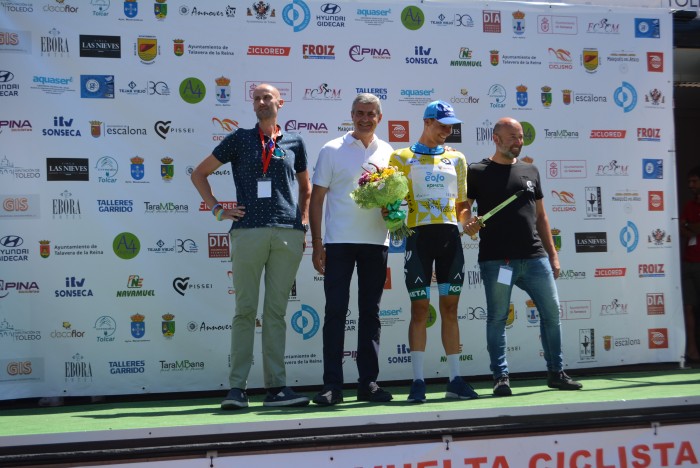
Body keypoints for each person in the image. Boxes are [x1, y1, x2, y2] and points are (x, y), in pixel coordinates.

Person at [191, 83, 311, 409]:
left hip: (287, 234)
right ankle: (237, 389)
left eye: (267, 97)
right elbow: (200, 174)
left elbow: (306, 186)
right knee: (245, 311)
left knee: (275, 313)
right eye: (256, 98)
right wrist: (218, 209)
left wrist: (301, 221)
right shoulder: (239, 139)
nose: (261, 102)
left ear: (280, 102)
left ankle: (277, 389)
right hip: (247, 232)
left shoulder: (295, 142)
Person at [463, 117, 582, 396]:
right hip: (497, 260)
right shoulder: (477, 171)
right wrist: (469, 223)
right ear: (496, 138)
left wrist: (553, 255)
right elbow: (464, 210)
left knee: (552, 314)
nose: (519, 142)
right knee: (497, 318)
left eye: (521, 137)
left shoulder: (531, 170)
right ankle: (500, 377)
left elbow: (541, 217)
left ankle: (556, 372)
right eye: (513, 137)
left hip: (534, 257)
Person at [389, 100, 478, 403]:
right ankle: (417, 381)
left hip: (450, 239)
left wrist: (468, 223)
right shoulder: (401, 157)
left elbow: (463, 205)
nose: (447, 131)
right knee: (420, 309)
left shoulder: (457, 158)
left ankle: (454, 379)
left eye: (450, 125)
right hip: (417, 238)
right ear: (426, 122)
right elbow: (391, 202)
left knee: (450, 309)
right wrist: (390, 215)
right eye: (441, 125)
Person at [309, 93, 394, 405]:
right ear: (351, 115)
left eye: (371, 114)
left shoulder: (388, 151)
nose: (364, 118)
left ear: (379, 118)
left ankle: (368, 383)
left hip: (376, 243)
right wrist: (317, 244)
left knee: (370, 313)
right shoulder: (332, 149)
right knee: (335, 312)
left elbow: (394, 200)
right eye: (359, 113)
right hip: (339, 243)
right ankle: (332, 385)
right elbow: (316, 200)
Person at [680, 165, 700, 363]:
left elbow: (690, 227)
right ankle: (692, 351)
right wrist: (688, 227)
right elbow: (682, 229)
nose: (691, 185)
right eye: (689, 182)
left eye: (694, 181)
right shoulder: (688, 205)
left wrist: (690, 226)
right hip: (689, 262)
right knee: (688, 307)